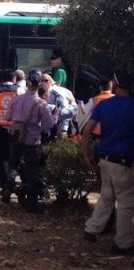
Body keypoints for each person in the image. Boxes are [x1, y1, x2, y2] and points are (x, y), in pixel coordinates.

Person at [82, 71, 134, 256]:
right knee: (126, 202)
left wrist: (86, 154)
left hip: (104, 159)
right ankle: (123, 243)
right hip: (124, 161)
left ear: (116, 86)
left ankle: (92, 229)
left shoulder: (104, 105)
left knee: (107, 196)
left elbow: (87, 131)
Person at [3, 69, 58, 213]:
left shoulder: (16, 98)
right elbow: (48, 125)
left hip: (16, 138)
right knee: (32, 172)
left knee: (13, 165)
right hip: (32, 142)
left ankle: (7, 189)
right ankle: (31, 204)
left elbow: (8, 117)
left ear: (27, 82)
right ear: (39, 83)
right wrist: (56, 115)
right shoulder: (41, 103)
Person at [0, 69, 22, 191]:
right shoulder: (19, 90)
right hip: (15, 129)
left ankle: (4, 184)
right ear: (14, 79)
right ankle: (12, 183)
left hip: (0, 128)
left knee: (2, 157)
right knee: (14, 157)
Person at [41, 73, 77, 137]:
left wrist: (63, 129)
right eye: (41, 80)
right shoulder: (34, 93)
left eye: (46, 80)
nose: (43, 82)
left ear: (51, 82)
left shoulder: (58, 94)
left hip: (55, 129)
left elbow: (64, 112)